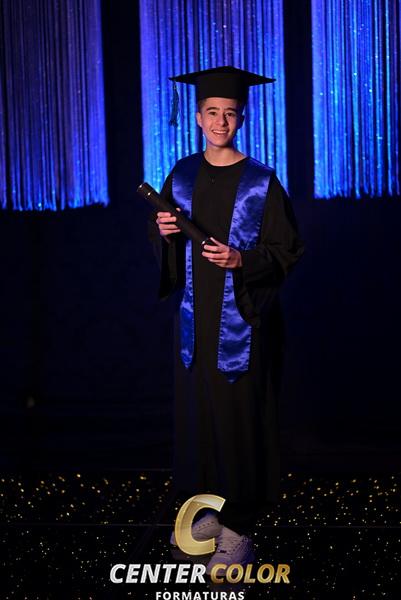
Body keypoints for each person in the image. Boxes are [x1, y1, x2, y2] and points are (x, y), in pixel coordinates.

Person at [149, 66, 304, 573]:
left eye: (230, 113)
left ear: (241, 118)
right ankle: (213, 513)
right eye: (212, 112)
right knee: (202, 421)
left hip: (244, 323)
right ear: (198, 118)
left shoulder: (261, 182)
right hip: (195, 323)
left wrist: (243, 260)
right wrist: (164, 231)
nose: (220, 121)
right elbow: (167, 247)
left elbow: (286, 250)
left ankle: (239, 528)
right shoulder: (182, 174)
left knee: (239, 423)